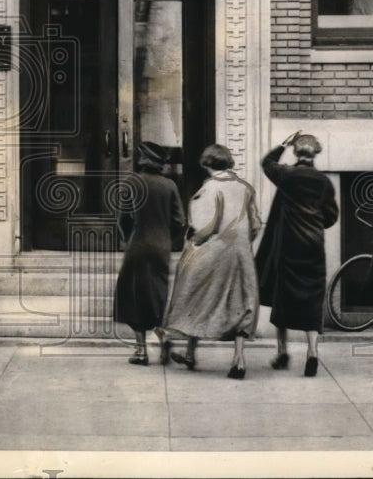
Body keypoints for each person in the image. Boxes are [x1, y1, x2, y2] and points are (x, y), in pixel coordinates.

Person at [164, 144, 261, 379]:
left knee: (195, 295)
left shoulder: (210, 189)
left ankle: (190, 351)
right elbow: (255, 224)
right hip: (240, 254)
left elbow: (203, 227)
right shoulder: (245, 188)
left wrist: (193, 241)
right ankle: (239, 359)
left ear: (207, 164)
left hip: (215, 252)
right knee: (241, 303)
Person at [255, 131, 339, 377]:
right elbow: (331, 215)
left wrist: (284, 143)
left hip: (288, 245)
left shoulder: (286, 175)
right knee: (312, 300)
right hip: (313, 245)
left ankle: (282, 352)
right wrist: (315, 223)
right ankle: (312, 352)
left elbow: (267, 163)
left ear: (296, 152)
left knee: (283, 297)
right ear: (316, 154)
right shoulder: (323, 182)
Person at [112, 141, 186, 366]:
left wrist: (127, 238)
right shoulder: (170, 185)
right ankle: (162, 333)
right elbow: (180, 221)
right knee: (157, 293)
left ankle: (141, 351)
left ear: (142, 160)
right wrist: (169, 240)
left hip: (138, 245)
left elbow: (123, 218)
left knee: (134, 296)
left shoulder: (132, 182)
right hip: (161, 247)